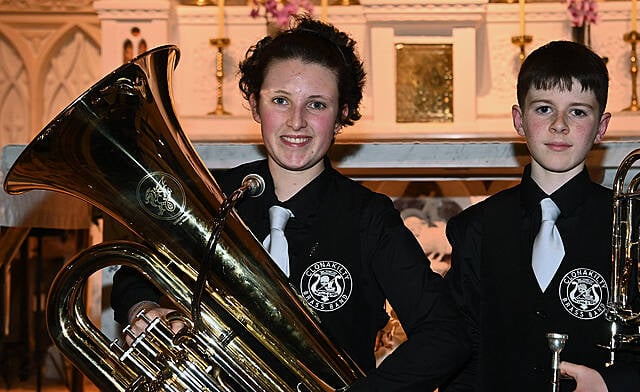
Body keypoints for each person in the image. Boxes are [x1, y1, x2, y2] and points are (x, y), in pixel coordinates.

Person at [111, 16, 470, 391]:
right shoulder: (212, 196)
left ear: (342, 114)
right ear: (254, 104)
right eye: (280, 100)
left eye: (316, 104)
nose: (296, 122)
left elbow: (446, 333)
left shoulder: (367, 217)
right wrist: (145, 310)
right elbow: (133, 272)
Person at [441, 40, 640, 391]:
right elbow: (457, 350)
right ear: (519, 120)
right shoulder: (476, 227)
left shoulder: (639, 223)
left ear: (601, 127)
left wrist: (612, 384)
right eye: (544, 109)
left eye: (578, 111)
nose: (559, 125)